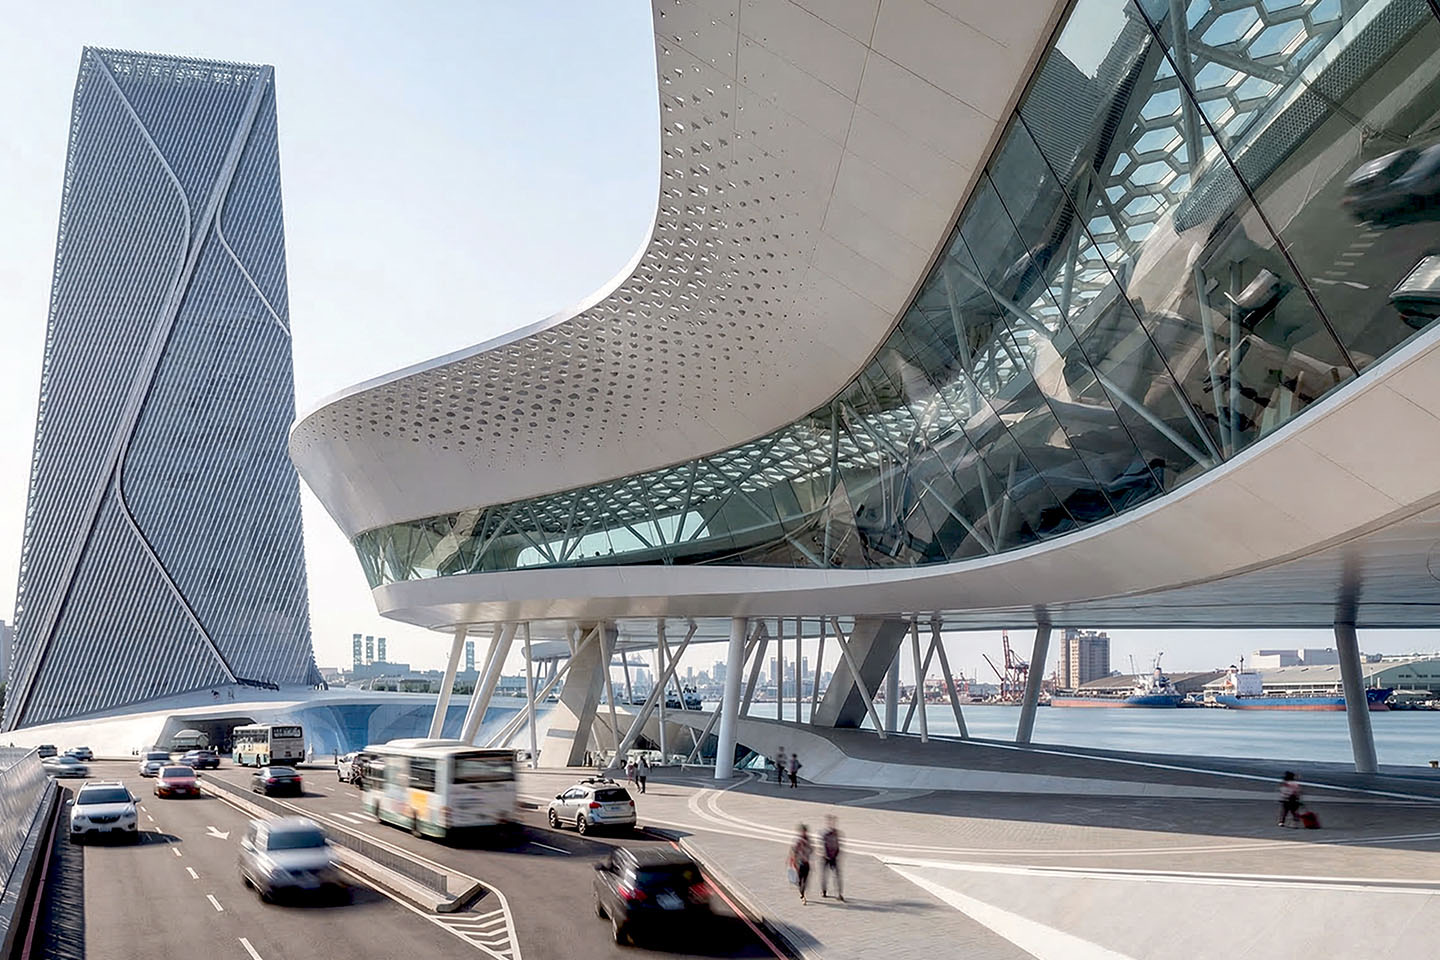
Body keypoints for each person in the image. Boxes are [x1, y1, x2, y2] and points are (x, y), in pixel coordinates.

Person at [788, 824, 813, 904]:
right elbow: (793, 851)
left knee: (805, 880)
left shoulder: (808, 840)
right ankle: (802, 895)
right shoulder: (797, 841)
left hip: (806, 863)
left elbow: (811, 850)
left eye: (805, 831)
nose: (804, 833)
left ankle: (802, 894)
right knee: (800, 880)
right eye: (803, 831)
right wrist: (793, 861)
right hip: (799, 863)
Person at [821, 815, 843, 900]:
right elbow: (822, 845)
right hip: (826, 857)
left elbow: (838, 844)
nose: (832, 824)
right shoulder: (825, 834)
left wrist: (837, 854)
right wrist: (825, 854)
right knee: (825, 875)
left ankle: (839, 893)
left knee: (837, 876)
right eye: (830, 822)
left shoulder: (837, 833)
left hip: (834, 857)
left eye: (833, 822)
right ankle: (824, 890)